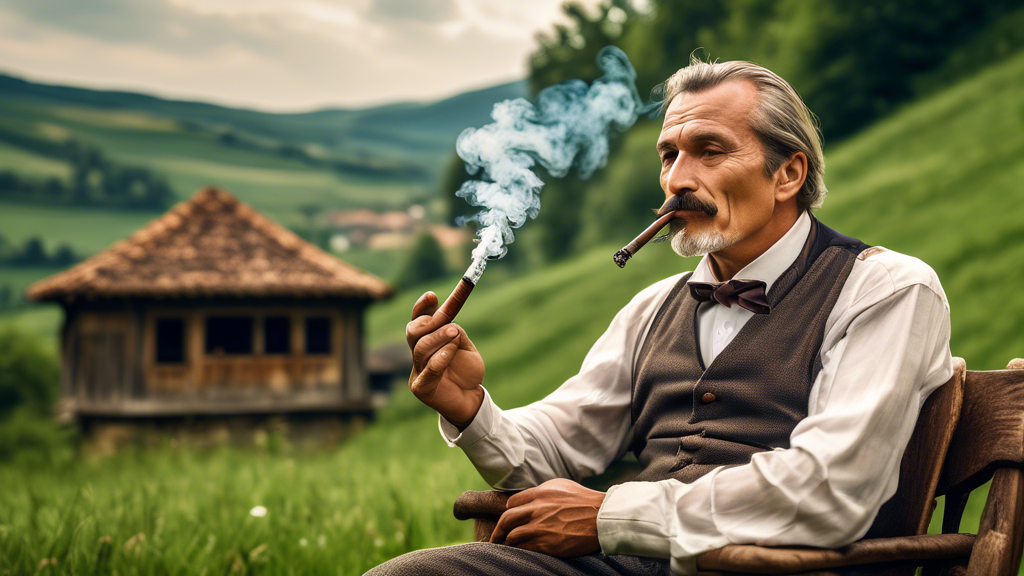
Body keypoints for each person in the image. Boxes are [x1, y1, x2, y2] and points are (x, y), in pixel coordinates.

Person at [368, 57, 952, 576]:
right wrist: (468, 405)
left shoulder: (886, 289)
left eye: (710, 150)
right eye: (669, 155)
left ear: (788, 174)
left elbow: (832, 488)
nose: (676, 180)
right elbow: (556, 447)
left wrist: (611, 516)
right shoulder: (651, 308)